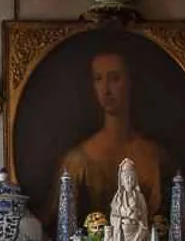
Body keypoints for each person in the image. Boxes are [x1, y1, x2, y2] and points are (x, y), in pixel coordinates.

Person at [55, 50, 165, 227]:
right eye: (98, 79)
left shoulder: (155, 155)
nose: (105, 89)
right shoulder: (76, 161)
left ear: (130, 82)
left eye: (114, 78)